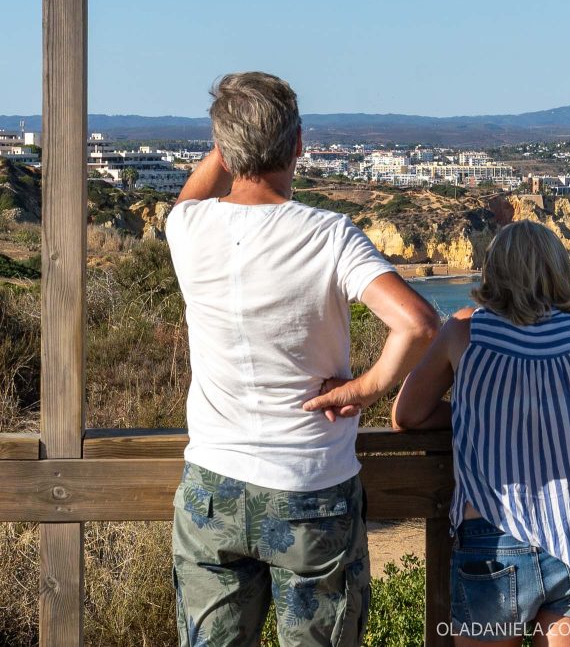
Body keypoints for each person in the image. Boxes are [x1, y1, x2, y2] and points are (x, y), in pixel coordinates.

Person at [166, 72, 439, 647]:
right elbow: (416, 323)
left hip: (211, 485)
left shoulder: (186, 227)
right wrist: (363, 390)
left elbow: (196, 187)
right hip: (311, 487)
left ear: (223, 147)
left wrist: (226, 145)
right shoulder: (330, 235)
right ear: (299, 145)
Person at [392, 221, 570, 646]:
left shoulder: (464, 333)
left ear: (493, 272)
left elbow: (406, 416)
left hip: (492, 538)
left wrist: (481, 415)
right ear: (558, 272)